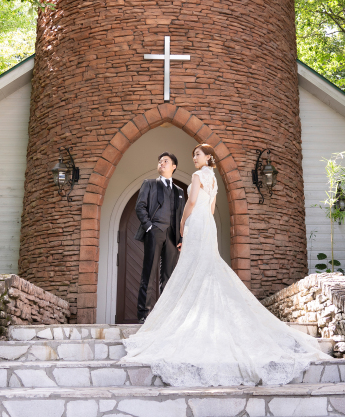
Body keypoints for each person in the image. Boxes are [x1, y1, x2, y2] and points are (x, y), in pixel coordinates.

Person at [121, 143, 329, 386]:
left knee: (183, 271)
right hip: (199, 225)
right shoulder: (207, 180)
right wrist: (157, 226)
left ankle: (178, 316)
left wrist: (182, 227)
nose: (194, 157)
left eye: (197, 154)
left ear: (207, 157)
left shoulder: (192, 180)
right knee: (191, 268)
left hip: (191, 226)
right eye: (193, 154)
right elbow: (208, 208)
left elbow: (189, 204)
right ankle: (151, 313)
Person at [133, 152, 185, 323]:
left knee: (168, 276)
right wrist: (149, 227)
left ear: (174, 167)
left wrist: (181, 238)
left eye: (166, 161)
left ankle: (166, 315)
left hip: (172, 236)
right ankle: (144, 314)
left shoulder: (179, 191)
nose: (161, 163)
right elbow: (140, 207)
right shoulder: (149, 184)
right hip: (154, 231)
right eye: (160, 161)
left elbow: (182, 217)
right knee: (148, 274)